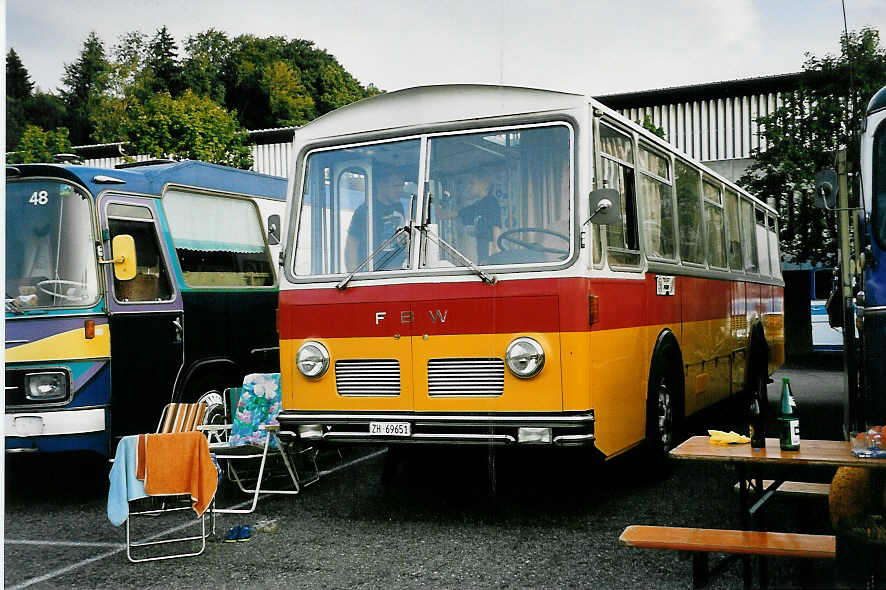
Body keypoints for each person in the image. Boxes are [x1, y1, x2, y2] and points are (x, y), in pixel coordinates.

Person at [344, 169, 408, 271]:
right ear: (381, 186)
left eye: (402, 186)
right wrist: (354, 275)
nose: (400, 190)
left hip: (397, 271)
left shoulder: (398, 206)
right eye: (396, 186)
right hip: (374, 273)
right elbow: (352, 245)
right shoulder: (365, 210)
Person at [453, 166, 502, 262]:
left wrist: (496, 256)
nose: (469, 188)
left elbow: (496, 228)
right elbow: (452, 214)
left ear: (485, 185)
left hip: (489, 249)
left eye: (472, 184)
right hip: (481, 249)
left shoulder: (491, 202)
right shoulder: (476, 206)